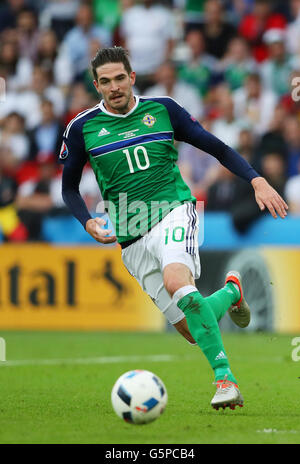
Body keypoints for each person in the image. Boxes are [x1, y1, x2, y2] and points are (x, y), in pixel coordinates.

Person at [60, 46, 288, 410]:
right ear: (96, 86)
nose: (115, 86)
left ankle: (224, 378)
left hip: (173, 210)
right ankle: (232, 292)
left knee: (177, 283)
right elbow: (68, 187)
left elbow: (216, 147)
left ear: (132, 78)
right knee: (192, 330)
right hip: (130, 232)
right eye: (106, 82)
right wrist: (86, 220)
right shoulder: (81, 128)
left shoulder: (162, 109)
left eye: (120, 78)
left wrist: (256, 180)